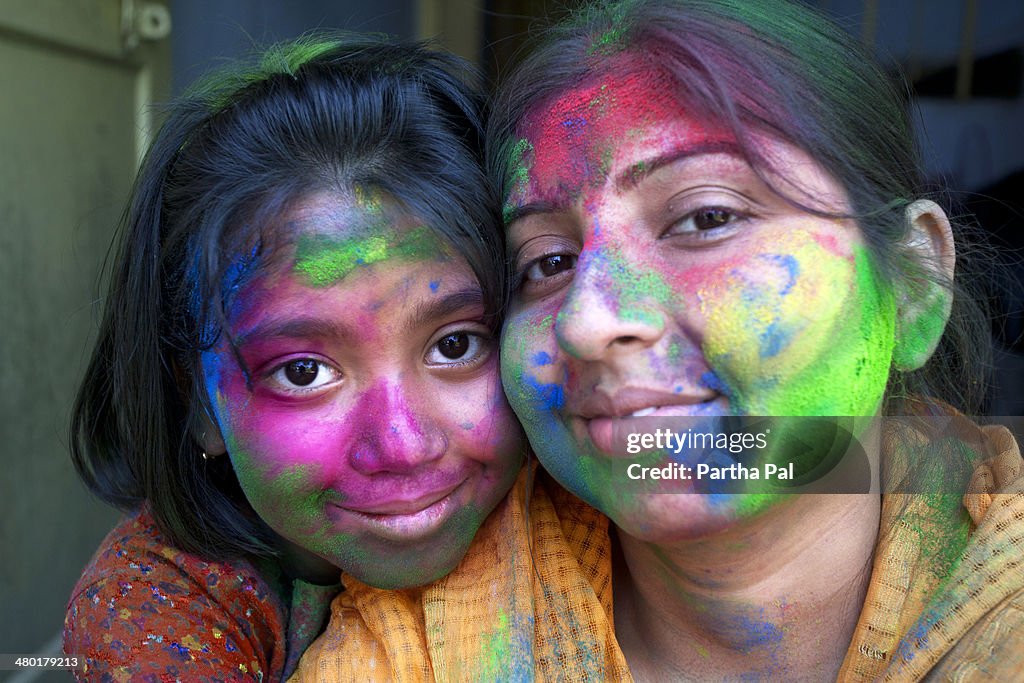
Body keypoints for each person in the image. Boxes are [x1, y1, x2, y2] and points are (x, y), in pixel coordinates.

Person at [489, 0, 1024, 679]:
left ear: (914, 285)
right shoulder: (419, 635)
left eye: (706, 216)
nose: (586, 322)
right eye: (548, 262)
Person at [63, 35, 527, 681]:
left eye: (456, 344)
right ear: (198, 401)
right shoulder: (151, 611)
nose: (402, 444)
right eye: (303, 370)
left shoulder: (586, 480)